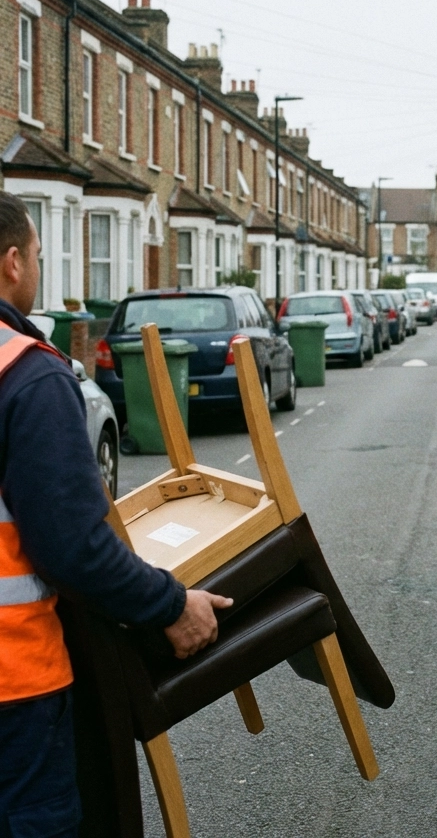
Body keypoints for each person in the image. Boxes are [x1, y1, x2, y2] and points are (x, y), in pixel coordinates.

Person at [0, 192, 231, 837]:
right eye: (41, 256)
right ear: (14, 262)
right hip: (14, 688)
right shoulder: (27, 375)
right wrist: (170, 605)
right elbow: (72, 545)